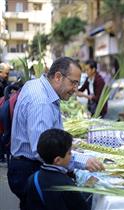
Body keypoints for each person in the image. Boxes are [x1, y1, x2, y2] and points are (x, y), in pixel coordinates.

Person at [8, 57, 105, 210]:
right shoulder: (41, 102)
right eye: (73, 82)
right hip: (29, 168)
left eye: (77, 83)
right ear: (58, 77)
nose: (75, 89)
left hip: (26, 166)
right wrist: (83, 161)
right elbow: (44, 150)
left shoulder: (37, 85)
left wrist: (68, 147)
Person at [25, 128, 90, 210]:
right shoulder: (66, 184)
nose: (71, 156)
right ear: (58, 160)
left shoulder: (33, 178)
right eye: (69, 153)